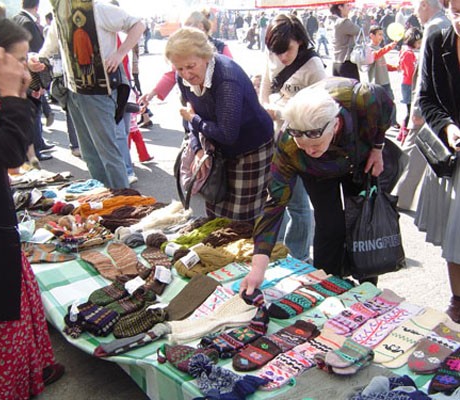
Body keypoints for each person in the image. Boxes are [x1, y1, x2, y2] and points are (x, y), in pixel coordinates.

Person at [0, 14, 64, 399]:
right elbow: (10, 153)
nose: (26, 66)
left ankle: (29, 374)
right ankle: (6, 390)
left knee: (15, 304)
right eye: (20, 59)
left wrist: (24, 94)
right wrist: (13, 96)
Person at [241, 77, 397, 294]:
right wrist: (258, 268)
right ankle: (327, 287)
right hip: (318, 173)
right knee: (328, 225)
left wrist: (377, 148)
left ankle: (368, 287)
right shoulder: (288, 146)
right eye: (303, 146)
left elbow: (386, 112)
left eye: (315, 144)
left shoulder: (364, 98)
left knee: (364, 222)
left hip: (359, 158)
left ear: (335, 124)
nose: (310, 150)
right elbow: (274, 204)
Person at [166, 27, 274, 221]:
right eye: (180, 68)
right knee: (215, 202)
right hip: (217, 144)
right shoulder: (182, 78)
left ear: (206, 56)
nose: (186, 74)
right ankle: (216, 247)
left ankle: (245, 248)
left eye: (191, 66)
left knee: (240, 215)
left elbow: (226, 133)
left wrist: (195, 120)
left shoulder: (226, 79)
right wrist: (198, 148)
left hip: (250, 146)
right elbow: (191, 113)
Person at [39, 1, 145, 189]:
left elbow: (138, 24)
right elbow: (49, 48)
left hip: (98, 91)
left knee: (108, 152)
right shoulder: (60, 14)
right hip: (74, 91)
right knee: (90, 154)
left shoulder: (100, 9)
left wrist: (119, 54)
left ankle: (124, 202)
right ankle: (105, 197)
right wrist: (38, 61)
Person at [259, 13, 327, 261]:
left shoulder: (314, 67)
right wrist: (271, 107)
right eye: (276, 52)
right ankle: (276, 251)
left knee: (298, 204)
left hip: (301, 141)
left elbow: (318, 111)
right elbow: (263, 93)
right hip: (276, 138)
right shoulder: (272, 56)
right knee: (277, 198)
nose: (282, 57)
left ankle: (297, 257)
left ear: (299, 39)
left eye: (285, 50)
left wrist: (279, 110)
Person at [414, 0, 460, 322]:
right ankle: (458, 302)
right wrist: (448, 126)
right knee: (455, 236)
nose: (459, 19)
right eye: (456, 12)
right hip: (453, 156)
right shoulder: (436, 37)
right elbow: (426, 98)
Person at [393, 0, 450, 210]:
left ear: (425, 4)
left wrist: (417, 109)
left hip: (429, 105)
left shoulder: (436, 26)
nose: (415, 12)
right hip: (440, 105)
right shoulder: (443, 23)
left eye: (416, 6)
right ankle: (401, 196)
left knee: (411, 150)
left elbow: (425, 75)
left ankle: (397, 196)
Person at [140, 10, 233, 106]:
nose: (183, 29)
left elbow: (230, 74)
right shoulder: (184, 49)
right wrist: (152, 93)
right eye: (183, 25)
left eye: (188, 24)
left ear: (200, 26)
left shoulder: (221, 47)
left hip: (219, 101)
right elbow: (172, 73)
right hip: (192, 102)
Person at [13, 0, 55, 162]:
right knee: (34, 112)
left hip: (20, 73)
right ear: (37, 7)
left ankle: (38, 144)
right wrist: (40, 84)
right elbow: (38, 55)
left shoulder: (16, 19)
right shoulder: (28, 23)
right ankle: (35, 150)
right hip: (30, 75)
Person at [367, 25, 399, 128]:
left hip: (385, 81)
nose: (381, 37)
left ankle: (392, 122)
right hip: (376, 83)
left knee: (391, 103)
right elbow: (375, 55)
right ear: (372, 36)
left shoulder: (379, 48)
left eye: (382, 34)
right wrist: (389, 47)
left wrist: (395, 67)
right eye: (379, 34)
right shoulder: (368, 49)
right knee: (377, 107)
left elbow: (383, 65)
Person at [396, 27, 422, 143]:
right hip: (409, 84)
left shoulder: (406, 51)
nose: (419, 44)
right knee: (410, 110)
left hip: (407, 83)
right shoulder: (408, 53)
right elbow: (410, 71)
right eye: (418, 42)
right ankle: (404, 133)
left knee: (409, 109)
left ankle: (402, 132)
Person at [330, 2, 361, 81]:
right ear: (340, 7)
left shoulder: (332, 20)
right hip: (346, 61)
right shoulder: (343, 22)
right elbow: (360, 31)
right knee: (353, 91)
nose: (349, 8)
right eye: (347, 5)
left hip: (336, 62)